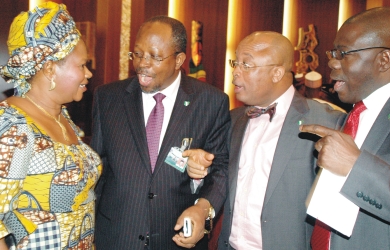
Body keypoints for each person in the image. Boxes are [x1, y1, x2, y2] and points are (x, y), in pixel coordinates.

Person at [189, 31, 345, 249]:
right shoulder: (233, 120)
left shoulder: (326, 122)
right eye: (236, 62)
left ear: (277, 72)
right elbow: (219, 179)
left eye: (246, 65)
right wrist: (200, 169)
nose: (235, 73)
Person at [90, 15, 230, 249]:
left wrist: (202, 208)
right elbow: (97, 169)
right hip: (116, 237)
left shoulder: (211, 102)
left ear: (179, 60)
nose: (143, 63)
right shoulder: (107, 98)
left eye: (154, 57)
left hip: (175, 239)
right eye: (138, 53)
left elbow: (221, 169)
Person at [300, 7, 390, 249]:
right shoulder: (356, 111)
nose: (332, 62)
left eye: (343, 53)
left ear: (383, 59)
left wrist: (356, 167)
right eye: (333, 52)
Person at [0, 2, 101, 249]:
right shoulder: (14, 124)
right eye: (82, 65)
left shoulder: (62, 116)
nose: (88, 73)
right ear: (50, 69)